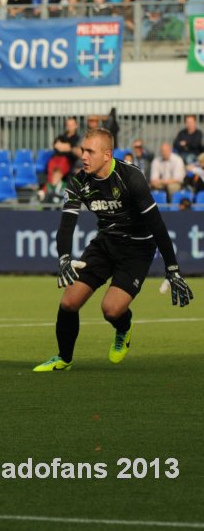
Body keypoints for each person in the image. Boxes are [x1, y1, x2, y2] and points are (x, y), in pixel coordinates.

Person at [34, 129, 193, 372]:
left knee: (111, 310)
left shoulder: (130, 177)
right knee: (69, 302)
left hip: (138, 248)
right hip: (106, 243)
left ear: (106, 155)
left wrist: (173, 269)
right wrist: (64, 257)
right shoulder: (79, 181)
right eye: (83, 150)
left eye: (90, 151)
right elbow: (66, 224)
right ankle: (63, 359)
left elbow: (157, 226)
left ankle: (124, 328)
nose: (83, 156)